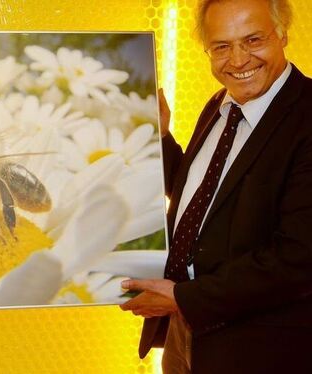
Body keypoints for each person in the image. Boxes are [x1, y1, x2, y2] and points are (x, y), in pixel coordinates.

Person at [119, 0, 312, 373]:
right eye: (221, 46)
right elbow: (204, 196)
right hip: (186, 334)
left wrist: (186, 299)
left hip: (261, 349)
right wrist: (158, 137)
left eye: (253, 39)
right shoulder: (220, 105)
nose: (238, 61)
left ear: (282, 34)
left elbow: (299, 257)